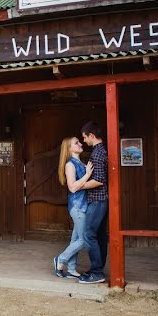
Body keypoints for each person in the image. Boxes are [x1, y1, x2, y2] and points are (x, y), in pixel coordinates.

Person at [52, 136, 93, 279]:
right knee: (84, 239)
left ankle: (71, 269)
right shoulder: (70, 165)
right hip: (78, 206)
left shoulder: (80, 163)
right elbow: (73, 187)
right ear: (69, 149)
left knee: (75, 240)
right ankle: (60, 260)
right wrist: (87, 175)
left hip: (82, 205)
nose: (80, 144)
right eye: (76, 143)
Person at [77, 121, 109, 284]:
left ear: (92, 135)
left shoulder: (97, 153)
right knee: (100, 236)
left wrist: (78, 185)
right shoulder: (101, 151)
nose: (84, 141)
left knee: (89, 234)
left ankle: (97, 272)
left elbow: (99, 180)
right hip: (101, 200)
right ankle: (98, 270)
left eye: (84, 137)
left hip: (97, 200)